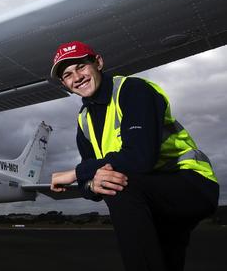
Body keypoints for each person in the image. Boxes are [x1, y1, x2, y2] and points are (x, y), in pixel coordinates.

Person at [48, 41, 218, 271]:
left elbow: (140, 157)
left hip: (190, 182)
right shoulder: (84, 121)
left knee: (120, 185)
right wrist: (91, 183)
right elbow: (91, 188)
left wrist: (74, 174)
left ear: (98, 62)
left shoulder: (133, 91)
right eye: (68, 74)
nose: (77, 77)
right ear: (64, 84)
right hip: (150, 197)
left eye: (81, 66)